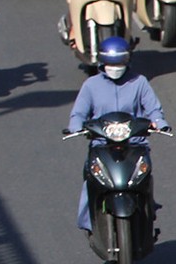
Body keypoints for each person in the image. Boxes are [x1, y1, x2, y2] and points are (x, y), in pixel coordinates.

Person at [67, 35, 169, 233]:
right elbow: (79, 112)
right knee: (91, 179)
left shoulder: (139, 82)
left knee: (144, 178)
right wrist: (76, 126)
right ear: (102, 63)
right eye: (111, 64)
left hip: (134, 144)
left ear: (127, 61)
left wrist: (160, 123)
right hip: (101, 145)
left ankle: (148, 210)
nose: (115, 67)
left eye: (120, 63)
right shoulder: (91, 85)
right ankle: (90, 221)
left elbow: (154, 109)